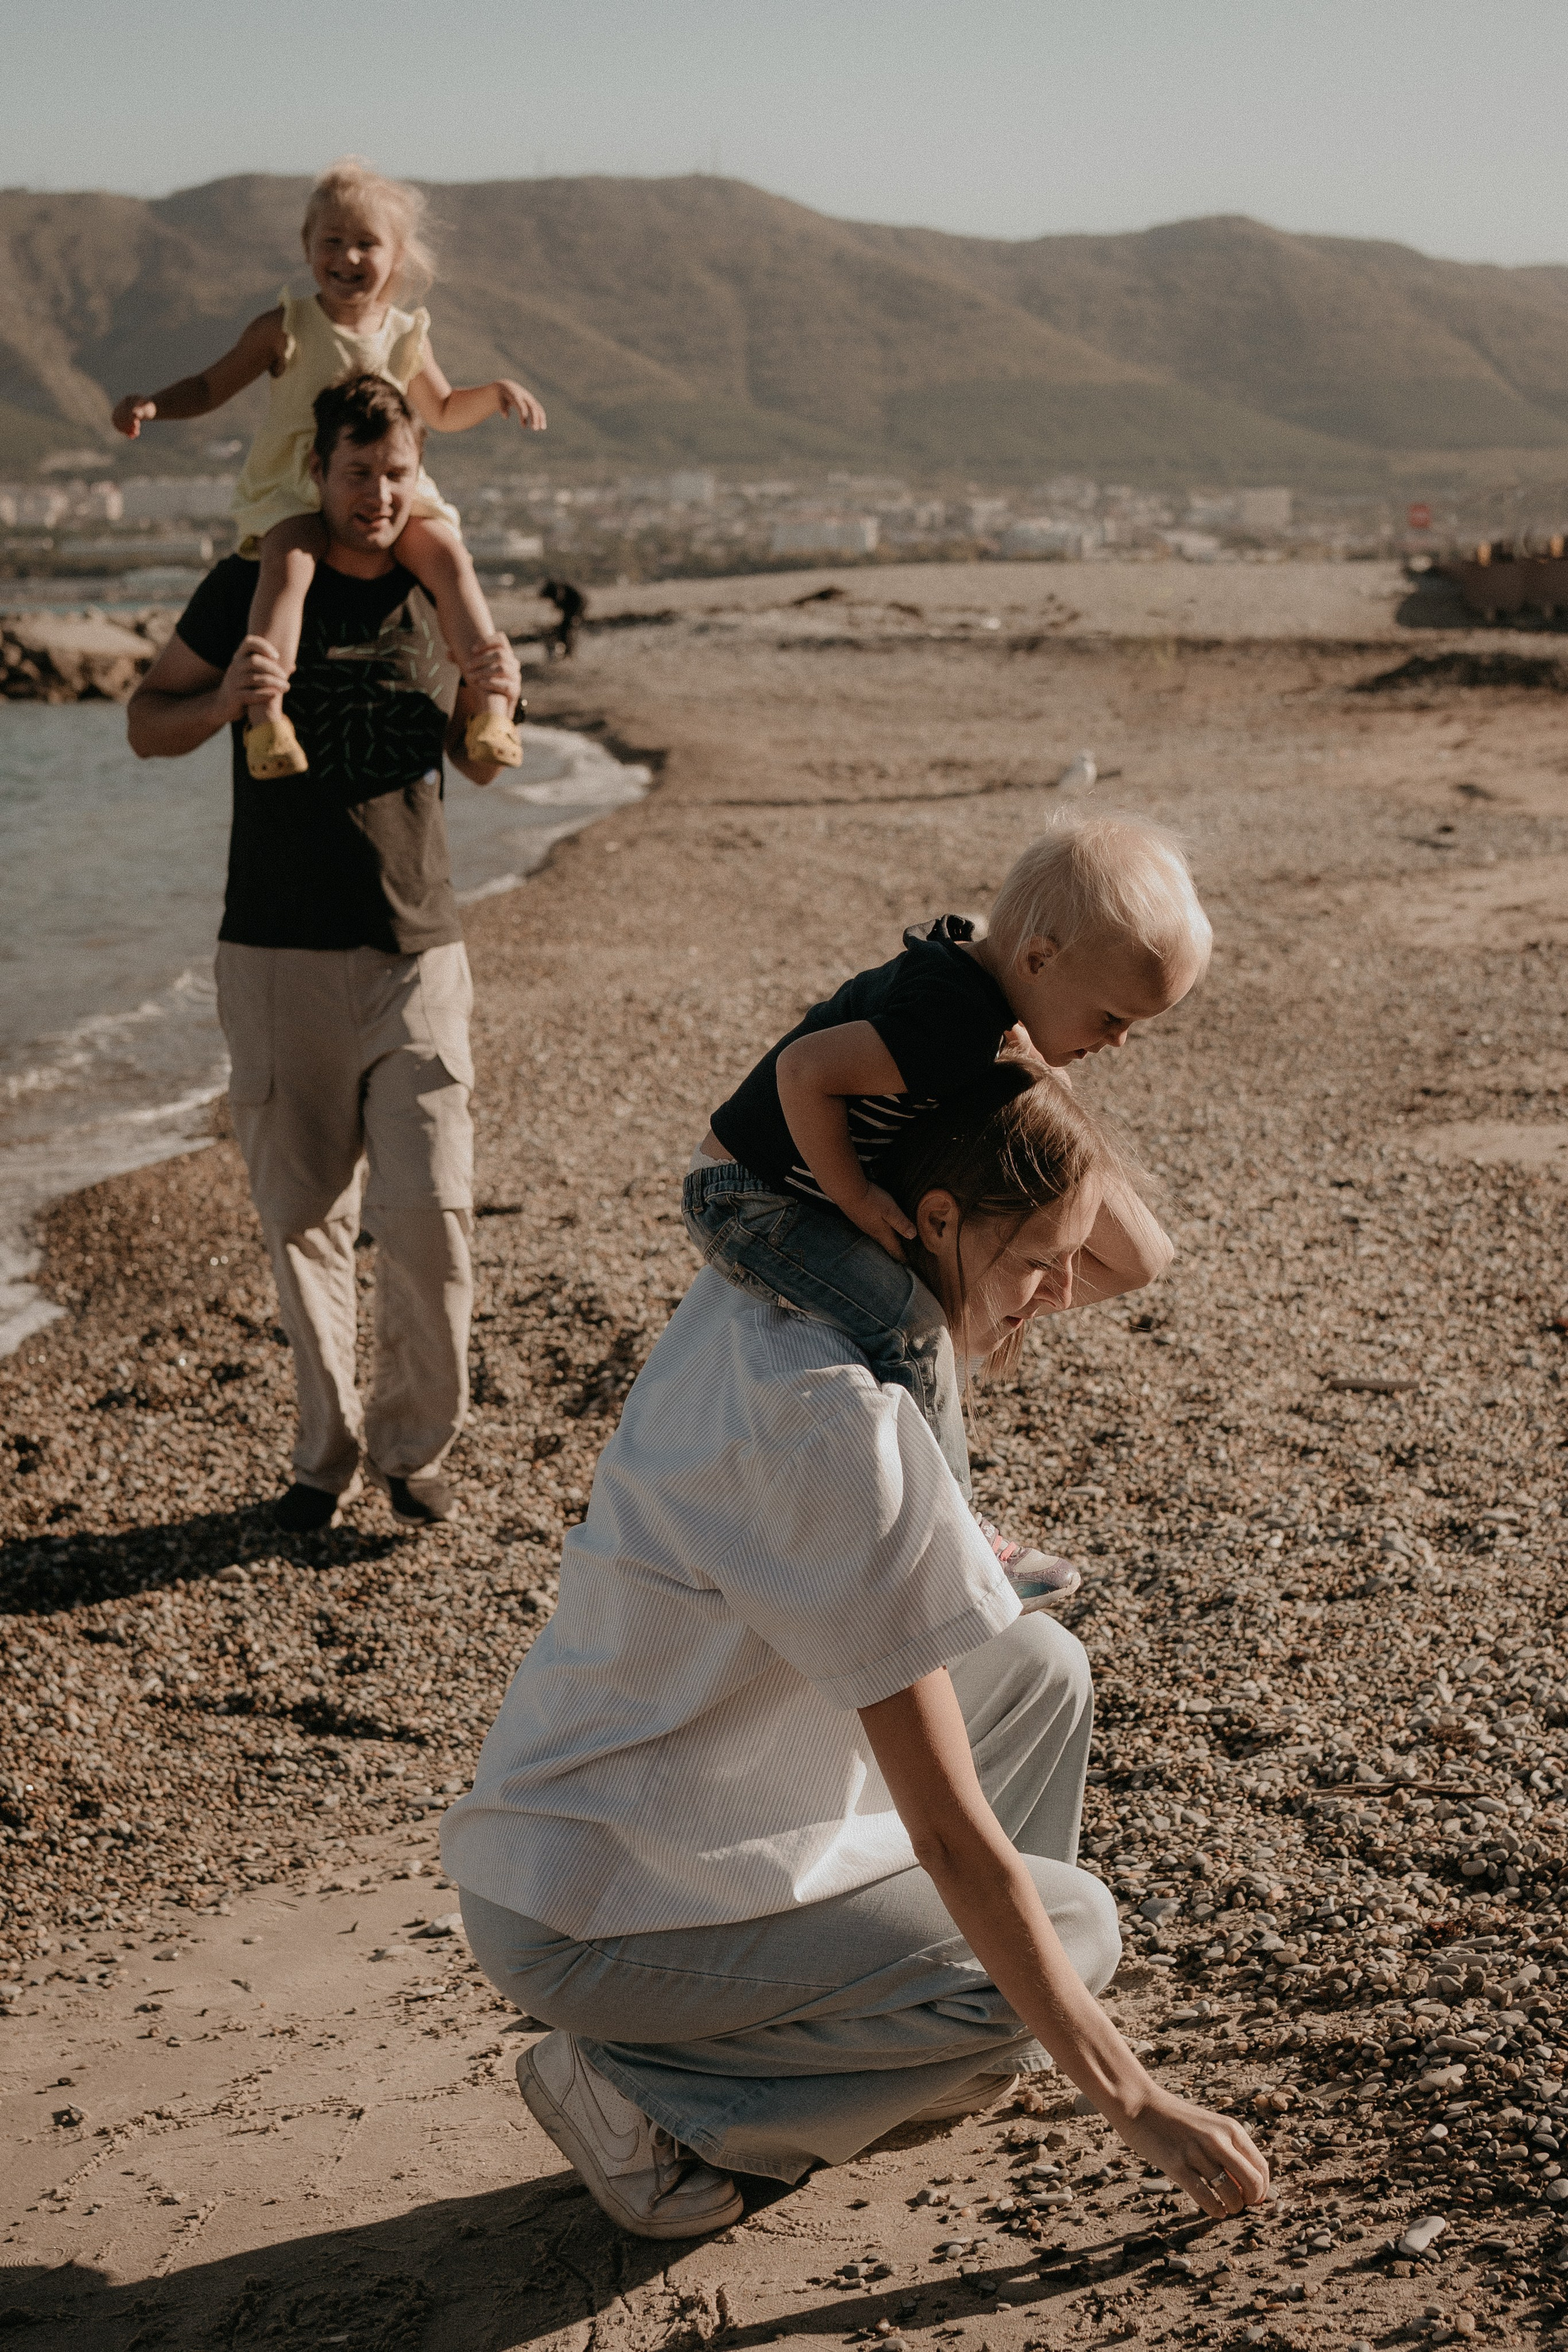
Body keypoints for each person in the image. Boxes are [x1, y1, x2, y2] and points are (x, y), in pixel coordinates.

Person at [442, 1065, 1267, 2239]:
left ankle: (947, 2028)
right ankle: (648, 2095)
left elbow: (1137, 1256)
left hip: (688, 1796)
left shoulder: (804, 1274)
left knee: (1040, 1676)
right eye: (1039, 1262)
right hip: (596, 1908)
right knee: (1074, 1929)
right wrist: (1132, 2098)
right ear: (936, 1216)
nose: (1066, 1293)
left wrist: (1020, 1057)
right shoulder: (829, 1419)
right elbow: (948, 1836)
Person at [127, 372, 524, 1536]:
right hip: (276, 955)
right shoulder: (251, 586)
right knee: (301, 1218)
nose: (380, 496)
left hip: (416, 953)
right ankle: (324, 1454)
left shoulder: (433, 590)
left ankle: (414, 1447)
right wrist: (220, 708)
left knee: (433, 1216)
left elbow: (485, 763)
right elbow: (147, 722)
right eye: (359, 475)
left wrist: (497, 699)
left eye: (398, 474)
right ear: (320, 474)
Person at [686, 811, 1210, 1603]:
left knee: (917, 1322)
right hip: (746, 1198)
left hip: (764, 1184)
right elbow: (803, 1073)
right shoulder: (952, 1024)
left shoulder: (978, 982)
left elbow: (1142, 1253)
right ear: (1037, 958)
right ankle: (958, 1545)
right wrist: (854, 1197)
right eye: (1111, 1018)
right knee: (912, 1328)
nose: (1119, 1042)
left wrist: (1037, 1067)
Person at [113, 155, 546, 781]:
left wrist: (497, 391)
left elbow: (445, 410)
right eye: (332, 242)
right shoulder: (285, 327)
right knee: (287, 566)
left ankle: (495, 712)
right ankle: (266, 719)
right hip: (293, 489)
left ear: (396, 256)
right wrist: (154, 405)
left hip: (384, 484)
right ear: (308, 248)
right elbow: (210, 388)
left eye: (366, 243)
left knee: (449, 557)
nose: (347, 257)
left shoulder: (405, 335)